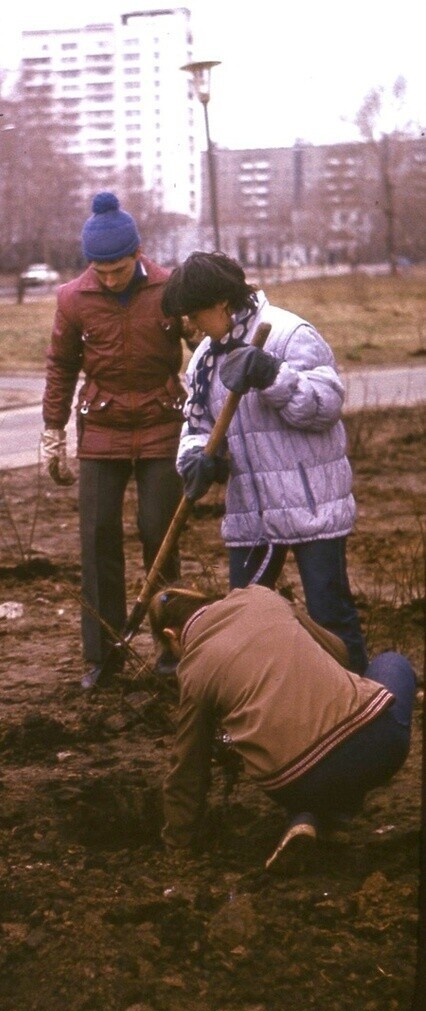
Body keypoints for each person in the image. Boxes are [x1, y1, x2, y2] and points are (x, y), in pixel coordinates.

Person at [161, 250, 368, 674]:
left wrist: (273, 376)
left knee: (330, 614)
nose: (191, 326)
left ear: (222, 302)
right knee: (248, 621)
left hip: (312, 505)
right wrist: (197, 459)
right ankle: (263, 708)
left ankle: (361, 701)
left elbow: (324, 407)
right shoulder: (204, 360)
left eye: (195, 314)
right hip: (251, 514)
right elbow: (196, 425)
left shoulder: (290, 334)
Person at [149, 584, 416, 874]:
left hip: (294, 785)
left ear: (170, 635)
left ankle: (310, 815)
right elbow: (338, 650)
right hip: (374, 748)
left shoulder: (194, 670)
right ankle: (332, 815)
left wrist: (178, 844)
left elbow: (189, 765)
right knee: (392, 662)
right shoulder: (260, 596)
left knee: (286, 747)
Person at [41, 192, 186, 689]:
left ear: (138, 254)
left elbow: (203, 345)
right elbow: (60, 366)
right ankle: (103, 655)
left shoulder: (170, 288)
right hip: (101, 428)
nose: (109, 279)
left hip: (162, 424)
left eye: (119, 269)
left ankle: (172, 648)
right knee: (98, 537)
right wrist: (52, 430)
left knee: (159, 535)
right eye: (99, 271)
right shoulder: (73, 299)